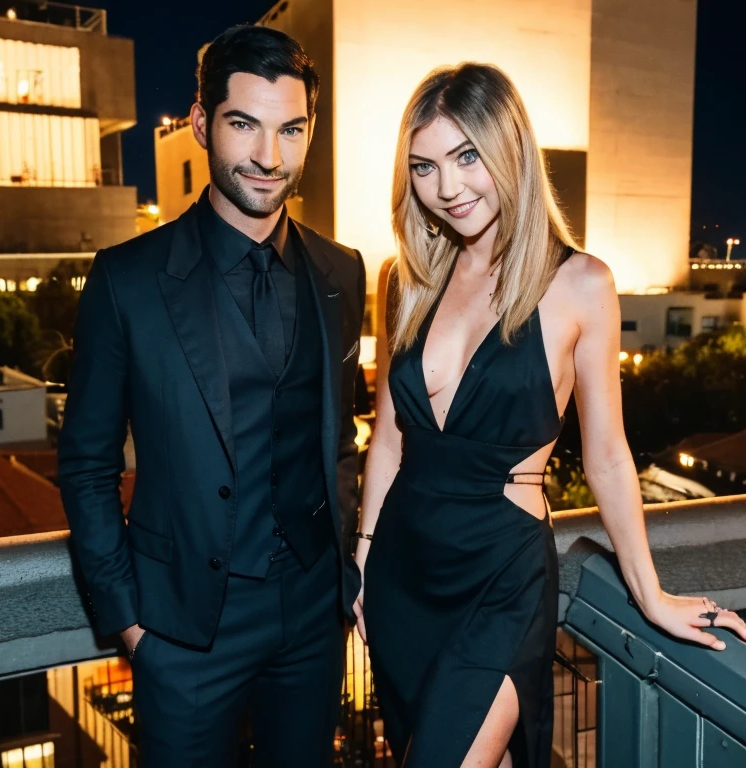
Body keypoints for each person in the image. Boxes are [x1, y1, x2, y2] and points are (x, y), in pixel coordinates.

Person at [353, 63, 746, 768]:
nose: (447, 187)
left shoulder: (580, 284)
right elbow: (388, 440)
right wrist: (362, 554)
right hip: (400, 578)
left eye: (466, 156)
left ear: (510, 149)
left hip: (502, 578)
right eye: (424, 166)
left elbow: (607, 455)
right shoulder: (407, 278)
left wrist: (648, 592)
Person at [58, 25, 365, 767]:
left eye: (291, 129)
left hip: (312, 621)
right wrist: (130, 625)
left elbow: (339, 437)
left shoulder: (341, 271)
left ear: (310, 131)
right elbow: (86, 463)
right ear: (201, 124)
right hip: (184, 629)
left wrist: (349, 570)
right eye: (244, 125)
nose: (269, 156)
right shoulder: (127, 279)